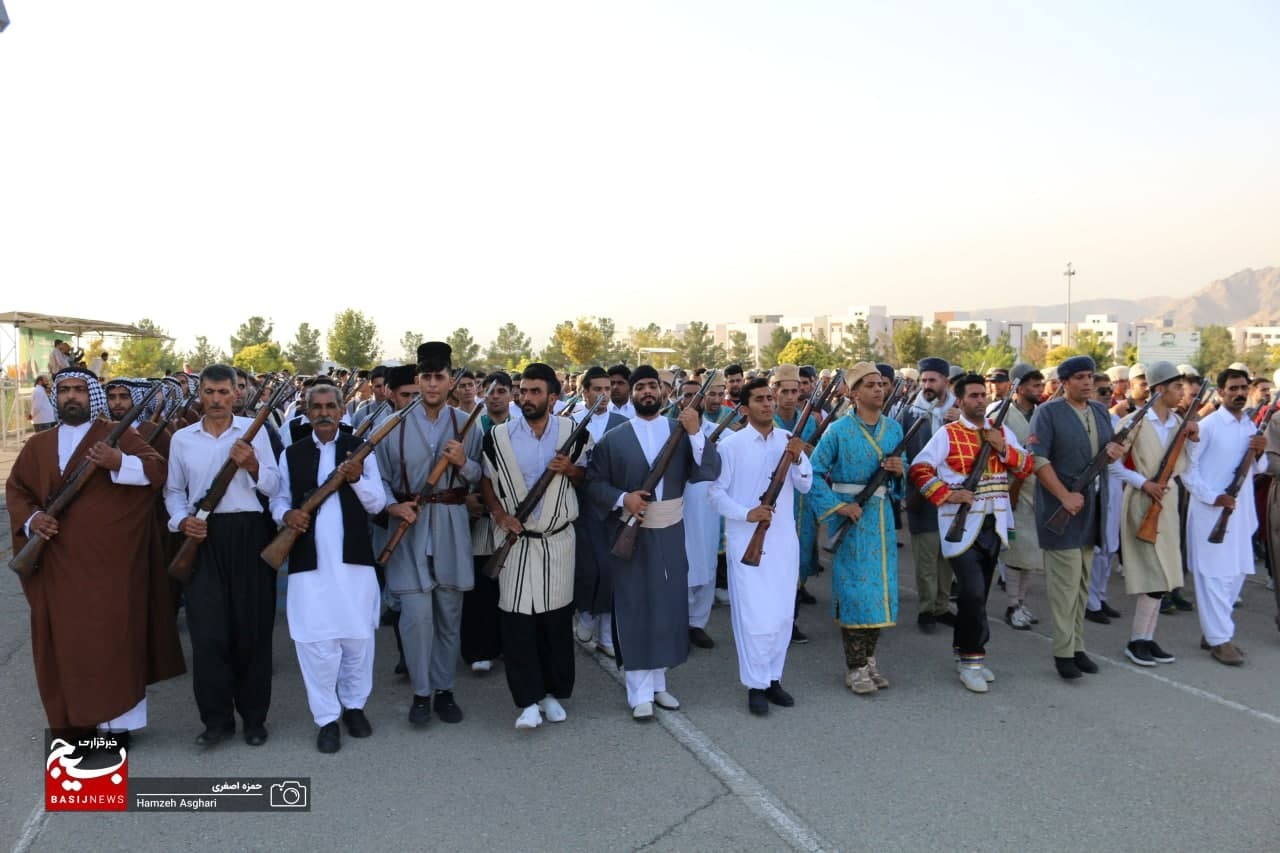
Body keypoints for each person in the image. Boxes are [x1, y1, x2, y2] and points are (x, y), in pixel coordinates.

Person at [7, 368, 182, 735]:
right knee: (67, 644)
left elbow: (157, 469)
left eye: (80, 390)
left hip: (111, 565)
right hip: (57, 564)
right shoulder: (39, 444)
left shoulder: (116, 434)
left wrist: (119, 462)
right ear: (56, 397)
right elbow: (18, 490)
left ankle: (118, 725)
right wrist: (33, 519)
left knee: (113, 641)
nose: (73, 396)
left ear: (92, 396)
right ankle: (75, 722)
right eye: (65, 390)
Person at [586, 365, 721, 721]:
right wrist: (622, 499)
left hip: (671, 532)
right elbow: (594, 484)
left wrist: (694, 434)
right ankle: (639, 691)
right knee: (635, 606)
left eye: (653, 386)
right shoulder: (614, 438)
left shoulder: (680, 430)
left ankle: (659, 683)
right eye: (640, 386)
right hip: (630, 529)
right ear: (631, 392)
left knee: (667, 606)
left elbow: (708, 469)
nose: (647, 391)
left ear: (664, 392)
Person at [165, 363, 282, 746]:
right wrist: (183, 522)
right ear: (200, 394)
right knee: (209, 634)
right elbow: (173, 492)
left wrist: (251, 465)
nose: (216, 400)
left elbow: (274, 485)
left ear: (238, 394)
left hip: (249, 534)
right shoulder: (182, 439)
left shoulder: (257, 433)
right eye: (209, 392)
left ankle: (253, 720)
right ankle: (215, 722)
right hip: (203, 538)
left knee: (251, 632)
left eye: (224, 392)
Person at [270, 384, 386, 753]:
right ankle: (326, 718)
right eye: (316, 406)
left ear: (341, 410)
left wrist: (357, 479)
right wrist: (285, 514)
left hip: (354, 565)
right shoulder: (292, 453)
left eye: (330, 406)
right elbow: (279, 499)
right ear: (306, 410)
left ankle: (354, 707)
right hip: (309, 567)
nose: (323, 412)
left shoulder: (361, 451)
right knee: (316, 646)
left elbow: (378, 502)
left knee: (357, 641)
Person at [375, 342, 481, 726]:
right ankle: (421, 693)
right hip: (410, 527)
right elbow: (380, 480)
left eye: (440, 377)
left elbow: (480, 479)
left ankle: (445, 689)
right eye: (426, 377)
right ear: (417, 380)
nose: (433, 384)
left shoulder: (467, 423)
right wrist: (392, 507)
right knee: (417, 618)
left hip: (451, 524)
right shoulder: (393, 424)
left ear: (451, 380)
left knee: (449, 614)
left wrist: (463, 463)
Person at [908, 373, 1032, 692]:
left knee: (980, 595)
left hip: (995, 523)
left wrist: (1002, 447)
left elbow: (1026, 467)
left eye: (982, 395)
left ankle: (965, 650)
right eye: (973, 396)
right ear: (960, 401)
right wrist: (948, 494)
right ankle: (972, 658)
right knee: (973, 592)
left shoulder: (1000, 431)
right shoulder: (948, 433)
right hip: (960, 526)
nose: (979, 400)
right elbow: (920, 469)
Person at [482, 363, 588, 729]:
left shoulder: (573, 432)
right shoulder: (498, 436)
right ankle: (526, 700)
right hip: (514, 542)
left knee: (555, 623)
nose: (525, 398)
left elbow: (587, 477)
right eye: (522, 391)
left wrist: (569, 469)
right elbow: (485, 482)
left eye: (534, 392)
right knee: (517, 624)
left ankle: (551, 694)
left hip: (557, 541)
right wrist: (499, 515)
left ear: (553, 397)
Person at [710, 377, 812, 715]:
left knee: (783, 615)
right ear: (745, 407)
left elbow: (806, 485)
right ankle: (755, 684)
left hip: (783, 541)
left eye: (771, 398)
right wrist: (747, 514)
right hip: (746, 542)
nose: (768, 404)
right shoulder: (731, 446)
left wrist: (798, 459)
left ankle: (773, 679)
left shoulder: (788, 440)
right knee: (755, 618)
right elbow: (715, 493)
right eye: (760, 399)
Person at [1026, 356, 1126, 680]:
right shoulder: (1047, 413)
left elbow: (1108, 449)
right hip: (1061, 509)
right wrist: (1064, 496)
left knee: (1082, 585)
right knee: (1064, 587)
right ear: (1064, 382)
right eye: (1080, 377)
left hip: (1091, 508)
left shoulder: (1098, 411)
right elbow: (1038, 460)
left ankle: (1077, 647)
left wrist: (1114, 452)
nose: (1087, 382)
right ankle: (1062, 652)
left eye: (1090, 376)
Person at [808, 363, 904, 695]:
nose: (879, 389)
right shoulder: (837, 431)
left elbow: (897, 480)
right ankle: (855, 666)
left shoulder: (893, 429)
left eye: (881, 384)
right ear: (853, 393)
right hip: (850, 516)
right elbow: (813, 473)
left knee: (880, 591)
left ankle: (871, 659)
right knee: (855, 592)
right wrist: (839, 506)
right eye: (871, 385)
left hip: (881, 517)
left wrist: (897, 471)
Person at [1112, 362, 1195, 666]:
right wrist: (1143, 483)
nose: (1181, 393)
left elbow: (1189, 465)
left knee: (1164, 575)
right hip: (1141, 501)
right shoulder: (1134, 422)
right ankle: (1136, 641)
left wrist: (1193, 435)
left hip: (1167, 503)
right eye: (1176, 387)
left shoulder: (1178, 424)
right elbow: (1112, 463)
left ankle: (1146, 638)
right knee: (1152, 574)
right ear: (1159, 389)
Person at [1182, 367, 1266, 665]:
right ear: (1221, 392)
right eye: (1233, 388)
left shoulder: (1249, 426)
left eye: (1244, 388)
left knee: (1236, 574)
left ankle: (1214, 632)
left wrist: (1259, 451)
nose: (1240, 393)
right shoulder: (1208, 426)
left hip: (1240, 515)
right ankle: (1221, 640)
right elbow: (1187, 472)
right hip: (1211, 513)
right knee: (1214, 577)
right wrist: (1213, 497)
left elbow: (1258, 468)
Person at [571, 366, 631, 655]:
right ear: (585, 392)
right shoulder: (571, 422)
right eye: (598, 389)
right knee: (587, 567)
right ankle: (585, 613)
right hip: (580, 505)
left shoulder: (623, 422)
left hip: (613, 506)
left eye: (608, 389)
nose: (604, 395)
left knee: (611, 570)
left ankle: (607, 635)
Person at [461, 371, 515, 674]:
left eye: (502, 391)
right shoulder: (472, 427)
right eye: (490, 391)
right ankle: (478, 650)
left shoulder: (519, 428)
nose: (495, 396)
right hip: (479, 516)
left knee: (508, 587)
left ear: (511, 395)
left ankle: (506, 645)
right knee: (480, 586)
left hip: (510, 519)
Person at [899, 356, 957, 634]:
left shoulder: (960, 411)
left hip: (953, 497)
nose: (927, 385)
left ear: (946, 381)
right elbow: (899, 450)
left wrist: (962, 421)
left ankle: (942, 606)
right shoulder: (909, 412)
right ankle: (926, 610)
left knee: (948, 556)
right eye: (923, 380)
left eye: (932, 379)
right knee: (926, 558)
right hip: (921, 495)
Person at [998, 364, 1045, 629]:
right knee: (1016, 553)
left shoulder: (1042, 414)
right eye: (1034, 385)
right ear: (1020, 387)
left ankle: (1021, 602)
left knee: (1031, 553)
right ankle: (1012, 604)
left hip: (1037, 489)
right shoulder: (1003, 415)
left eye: (1041, 385)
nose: (1039, 390)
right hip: (1012, 489)